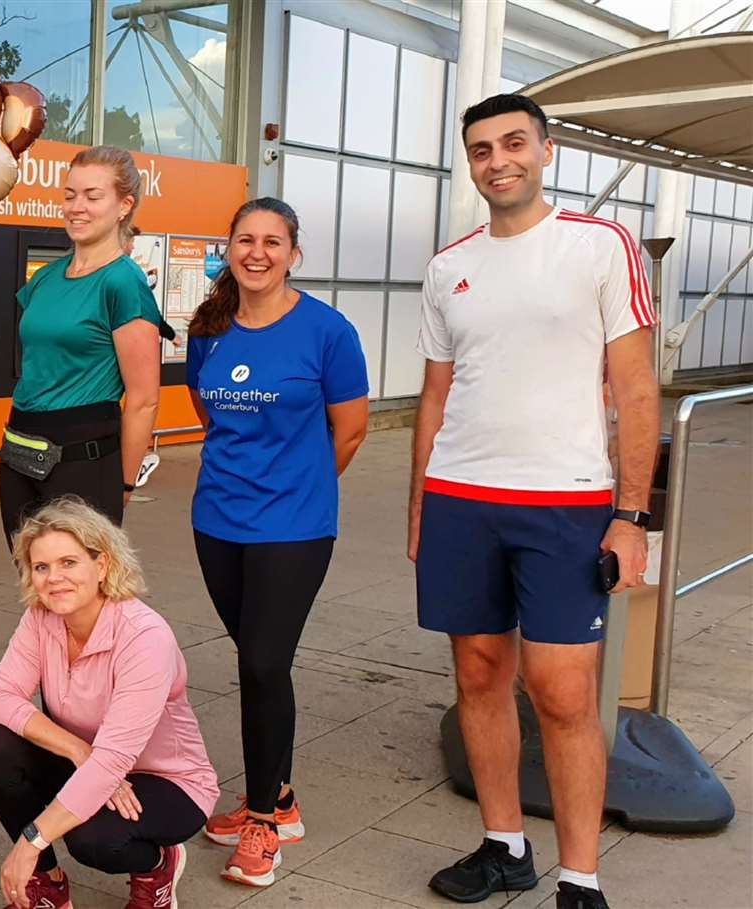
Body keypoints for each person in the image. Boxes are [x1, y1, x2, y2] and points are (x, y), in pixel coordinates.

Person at [412, 94, 656, 909]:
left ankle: (580, 878)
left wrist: (632, 513)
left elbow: (634, 386)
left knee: (562, 692)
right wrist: (420, 509)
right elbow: (435, 396)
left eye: (513, 143)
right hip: (460, 499)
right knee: (479, 674)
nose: (497, 161)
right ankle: (504, 844)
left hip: (566, 504)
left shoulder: (599, 246)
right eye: (481, 149)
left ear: (545, 150)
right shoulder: (450, 265)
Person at [183, 197, 369, 887]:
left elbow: (348, 430)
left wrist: (299, 485)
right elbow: (207, 411)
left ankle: (263, 819)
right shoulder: (209, 327)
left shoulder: (328, 331)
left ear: (294, 252)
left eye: (272, 241)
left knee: (262, 664)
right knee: (260, 660)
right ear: (229, 248)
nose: (256, 252)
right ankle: (280, 795)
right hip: (217, 521)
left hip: (294, 526)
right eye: (244, 239)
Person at [0, 497, 219, 909]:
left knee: (93, 839)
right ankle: (47, 884)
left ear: (101, 566)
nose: (54, 579)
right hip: (90, 759)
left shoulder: (144, 637)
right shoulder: (41, 619)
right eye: (42, 567)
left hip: (168, 781)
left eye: (69, 562)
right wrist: (77, 750)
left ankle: (158, 864)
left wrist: (29, 843)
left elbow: (113, 760)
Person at [0, 146, 168, 541]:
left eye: (93, 196)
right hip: (21, 448)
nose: (77, 207)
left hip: (83, 457)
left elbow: (144, 398)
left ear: (124, 205)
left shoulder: (123, 282)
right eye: (70, 194)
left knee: (78, 587)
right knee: (32, 579)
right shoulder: (46, 277)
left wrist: (123, 484)